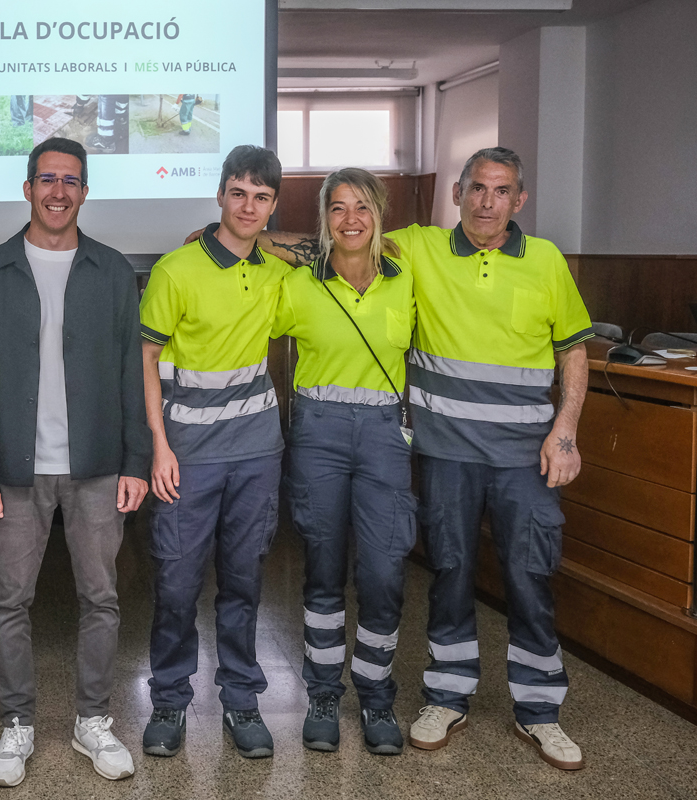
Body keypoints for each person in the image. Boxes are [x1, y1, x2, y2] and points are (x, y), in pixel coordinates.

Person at [252, 146, 595, 771]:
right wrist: (240, 231)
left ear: (519, 199)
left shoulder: (540, 261)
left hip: (522, 454)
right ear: (457, 193)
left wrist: (566, 430)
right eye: (476, 189)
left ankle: (539, 711)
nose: (487, 202)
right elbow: (326, 246)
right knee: (450, 573)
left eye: (501, 191)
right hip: (442, 452)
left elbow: (574, 349)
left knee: (527, 574)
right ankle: (440, 696)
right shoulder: (421, 250)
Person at [0, 137, 151, 787]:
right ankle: (16, 725)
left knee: (102, 597)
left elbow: (131, 372)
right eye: (47, 179)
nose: (58, 191)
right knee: (11, 600)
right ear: (27, 188)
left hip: (96, 464)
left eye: (71, 180)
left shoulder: (115, 271)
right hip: (15, 468)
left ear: (85, 191)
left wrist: (136, 461)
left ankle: (92, 720)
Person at [139, 145, 290, 760]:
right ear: (220, 195)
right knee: (176, 583)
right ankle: (170, 700)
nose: (248, 206)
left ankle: (242, 699)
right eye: (239, 193)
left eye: (262, 197)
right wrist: (158, 447)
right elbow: (145, 359)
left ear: (273, 206)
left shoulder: (279, 273)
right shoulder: (175, 271)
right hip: (189, 456)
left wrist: (278, 244)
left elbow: (344, 249)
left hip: (257, 452)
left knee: (244, 581)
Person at [271, 168, 416, 756]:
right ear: (323, 219)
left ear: (380, 214)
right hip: (319, 433)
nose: (350, 219)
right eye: (338, 208)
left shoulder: (409, 279)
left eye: (362, 207)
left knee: (384, 570)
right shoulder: (300, 283)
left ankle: (377, 694)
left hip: (385, 433)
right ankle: (324, 693)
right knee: (323, 569)